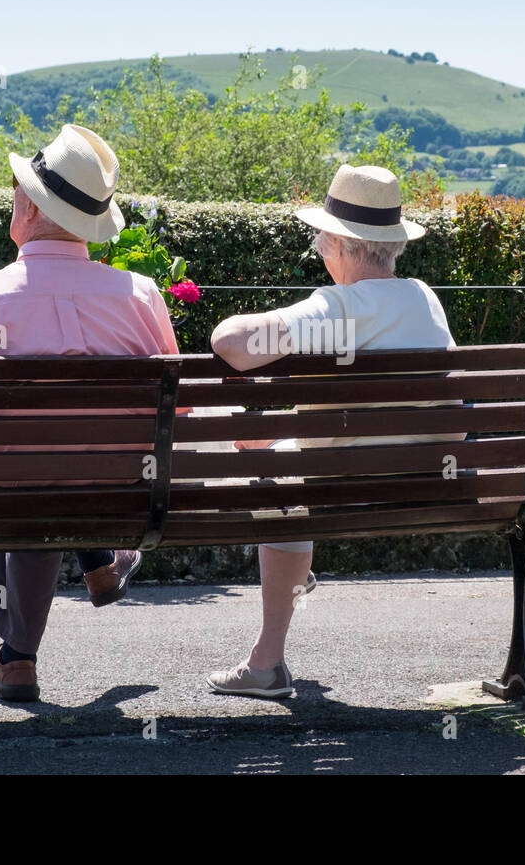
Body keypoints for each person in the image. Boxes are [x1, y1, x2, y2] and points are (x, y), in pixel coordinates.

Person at [0, 124, 179, 703]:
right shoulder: (140, 296)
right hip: (116, 490)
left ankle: (18, 659)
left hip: (1, 492)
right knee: (60, 467)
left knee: (25, 470)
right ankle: (98, 563)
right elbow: (173, 407)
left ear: (30, 207)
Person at [204, 164, 458, 698]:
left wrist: (271, 433)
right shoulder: (425, 300)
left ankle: (266, 663)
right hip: (426, 483)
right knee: (284, 458)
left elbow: (230, 343)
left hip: (333, 485)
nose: (319, 249)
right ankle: (292, 579)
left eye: (322, 238)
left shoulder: (337, 307)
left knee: (276, 481)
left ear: (343, 245)